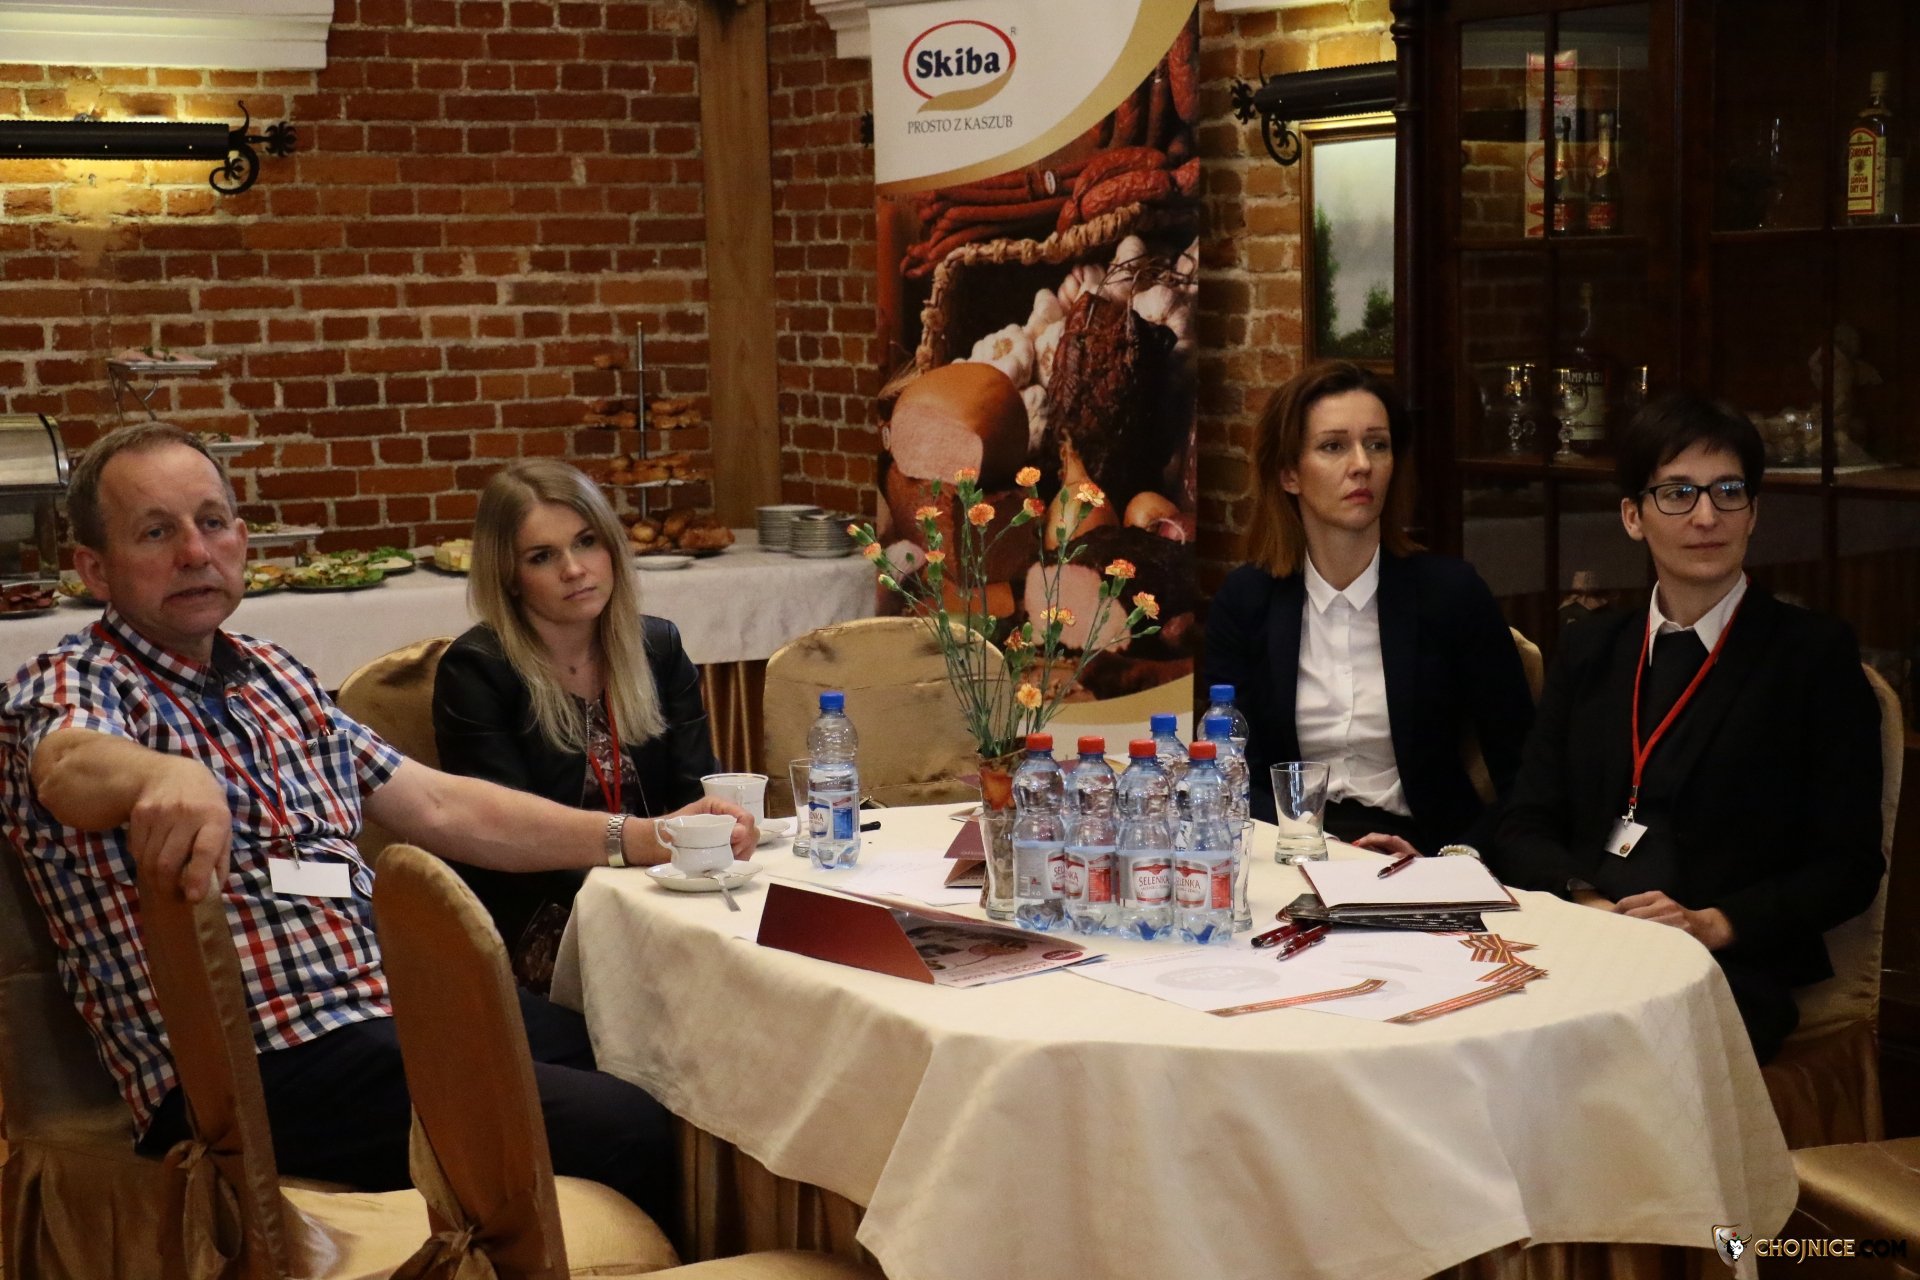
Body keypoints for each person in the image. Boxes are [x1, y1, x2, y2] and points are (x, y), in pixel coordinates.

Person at [0, 422, 753, 1223]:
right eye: (156, 532)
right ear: (94, 568)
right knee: (625, 1125)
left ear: (241, 541)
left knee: (656, 1058)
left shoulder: (272, 677)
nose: (194, 551)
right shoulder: (75, 680)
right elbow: (66, 763)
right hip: (256, 1062)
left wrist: (642, 837)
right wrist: (159, 773)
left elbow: (439, 804)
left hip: (389, 1006)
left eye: (211, 523)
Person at [1485, 391, 1884, 1063]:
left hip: (1724, 964)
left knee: (1573, 1057)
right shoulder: (1591, 649)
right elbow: (1524, 820)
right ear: (1632, 517)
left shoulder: (1812, 655)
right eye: (1677, 494)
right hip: (1589, 936)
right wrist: (1590, 904)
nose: (1706, 516)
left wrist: (1714, 924)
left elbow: (1849, 865)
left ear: (1754, 512)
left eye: (1728, 491)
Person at [1203, 360, 1535, 853]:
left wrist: (1456, 859)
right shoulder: (1246, 601)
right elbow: (1228, 773)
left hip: (1425, 854)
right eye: (1334, 446)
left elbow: (1527, 774)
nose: (1362, 464)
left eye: (1377, 444)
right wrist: (1319, 848)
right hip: (1293, 851)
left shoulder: (1451, 594)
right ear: (1290, 474)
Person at [433, 460, 721, 990]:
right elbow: (511, 841)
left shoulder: (658, 648)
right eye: (542, 556)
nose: (574, 569)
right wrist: (639, 887)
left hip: (665, 896)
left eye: (586, 542)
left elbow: (695, 791)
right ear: (509, 576)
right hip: (547, 920)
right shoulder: (478, 669)